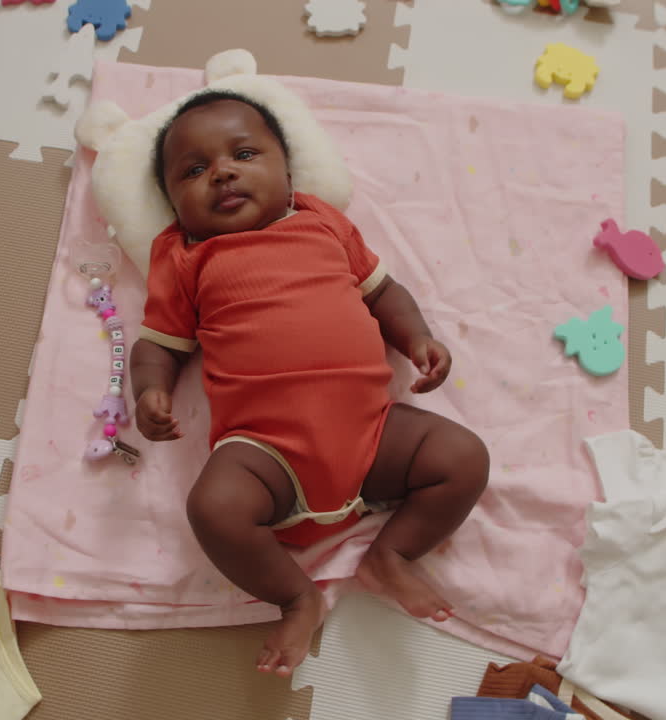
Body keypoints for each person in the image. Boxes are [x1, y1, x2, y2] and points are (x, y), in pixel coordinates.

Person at [130, 91, 490, 677]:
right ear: (173, 202)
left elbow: (384, 293)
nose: (221, 171)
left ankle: (391, 554)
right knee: (212, 508)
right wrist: (150, 392)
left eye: (243, 153)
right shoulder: (186, 255)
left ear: (287, 169)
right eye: (193, 171)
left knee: (464, 457)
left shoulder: (321, 220)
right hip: (264, 451)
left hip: (373, 433)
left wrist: (417, 340)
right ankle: (297, 597)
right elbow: (157, 346)